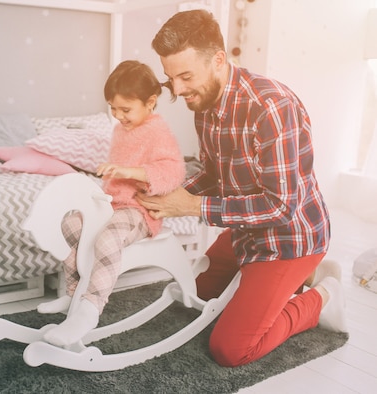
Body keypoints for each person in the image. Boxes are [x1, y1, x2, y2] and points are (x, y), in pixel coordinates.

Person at [135, 9, 346, 367]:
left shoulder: (272, 107)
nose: (180, 90)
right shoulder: (204, 103)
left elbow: (281, 207)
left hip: (289, 239)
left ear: (218, 60)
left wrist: (192, 207)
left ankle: (322, 295)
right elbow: (215, 174)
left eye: (186, 76)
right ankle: (290, 283)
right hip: (247, 231)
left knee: (231, 348)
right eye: (173, 79)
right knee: (195, 296)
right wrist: (165, 191)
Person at [38, 60, 186, 346]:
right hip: (112, 205)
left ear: (150, 102)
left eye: (125, 109)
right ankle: (73, 293)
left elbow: (172, 172)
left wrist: (130, 172)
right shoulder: (121, 130)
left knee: (107, 239)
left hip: (141, 209)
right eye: (113, 108)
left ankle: (90, 308)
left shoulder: (158, 132)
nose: (118, 115)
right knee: (70, 223)